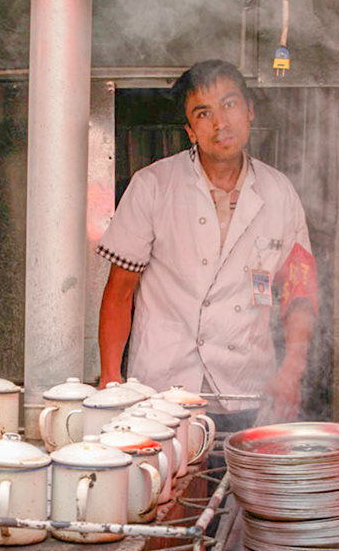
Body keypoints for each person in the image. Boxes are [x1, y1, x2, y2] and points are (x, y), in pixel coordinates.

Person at [96, 60, 318, 430]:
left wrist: (292, 370)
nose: (220, 123)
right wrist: (110, 381)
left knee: (239, 487)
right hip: (162, 391)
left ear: (249, 111)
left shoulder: (279, 192)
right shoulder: (153, 185)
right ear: (190, 131)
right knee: (170, 488)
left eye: (229, 105)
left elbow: (300, 291)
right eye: (204, 113)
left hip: (246, 389)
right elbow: (120, 291)